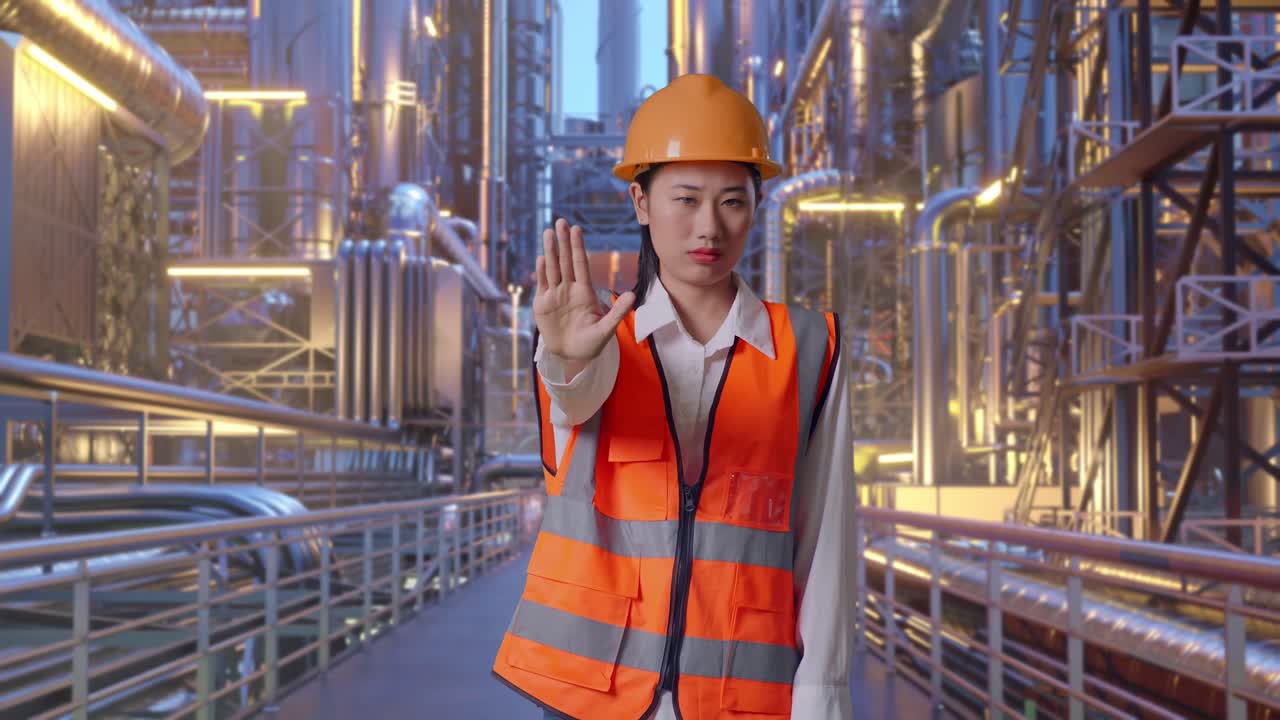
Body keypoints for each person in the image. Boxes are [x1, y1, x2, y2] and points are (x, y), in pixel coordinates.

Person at [492, 73, 855, 720]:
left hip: (738, 690)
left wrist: (822, 699)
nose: (708, 227)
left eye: (732, 201)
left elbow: (826, 537)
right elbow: (572, 402)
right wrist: (568, 355)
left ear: (758, 204)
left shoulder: (810, 347)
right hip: (590, 690)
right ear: (640, 202)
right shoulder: (593, 337)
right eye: (684, 199)